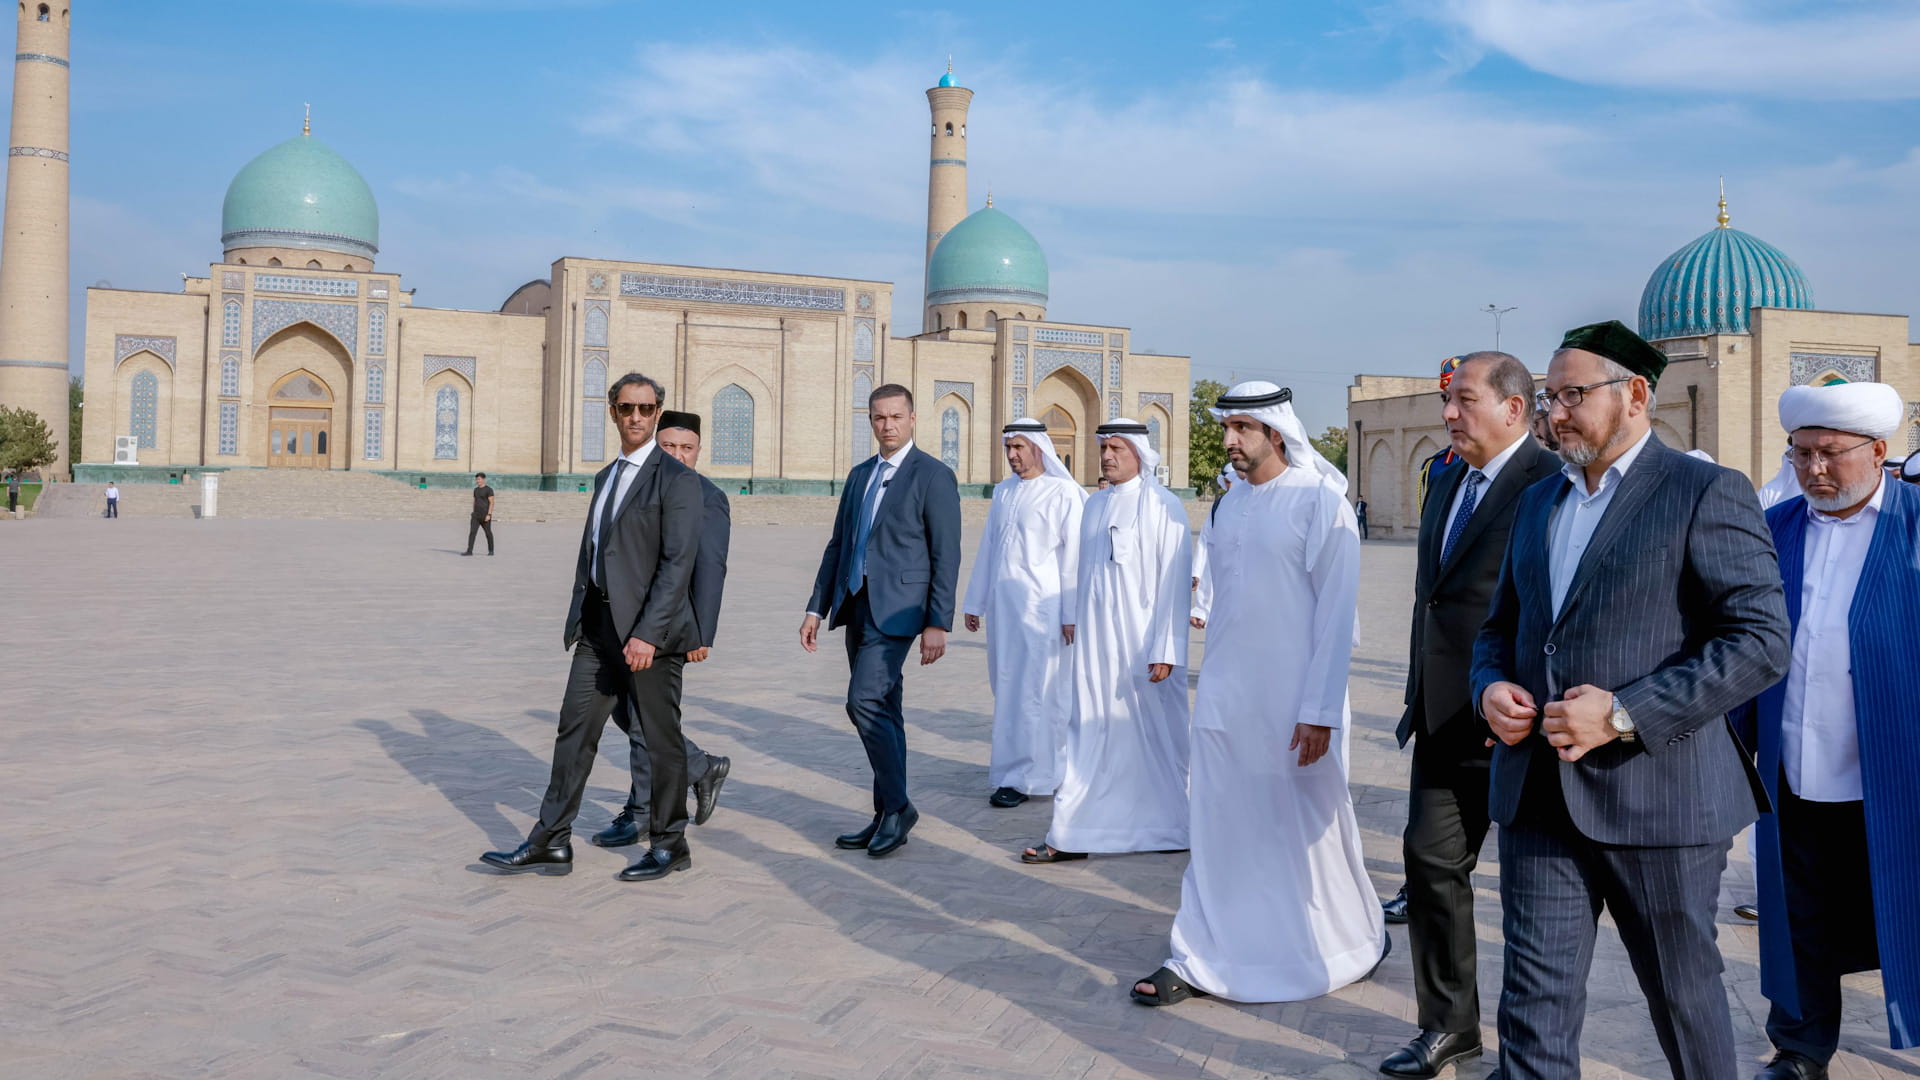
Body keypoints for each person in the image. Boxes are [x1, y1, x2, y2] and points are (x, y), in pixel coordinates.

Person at [1471, 320, 1790, 1080]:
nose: (1555, 413)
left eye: (1573, 395)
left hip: (1663, 799)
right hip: (1541, 795)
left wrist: (1622, 713)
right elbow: (1500, 629)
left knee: (1684, 1002)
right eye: (1550, 398)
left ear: (1637, 395)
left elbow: (1760, 641)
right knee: (1532, 1009)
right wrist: (1491, 689)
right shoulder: (1539, 502)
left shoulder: (1702, 491)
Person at [1132, 383, 1383, 1007]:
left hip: (1295, 702)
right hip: (1224, 696)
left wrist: (1321, 711)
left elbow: (1335, 614)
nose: (1230, 441)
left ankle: (1341, 938)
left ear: (1277, 431)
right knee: (1220, 821)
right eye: (1226, 428)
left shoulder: (1320, 501)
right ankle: (1200, 952)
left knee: (1302, 829)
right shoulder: (1227, 505)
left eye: (1242, 428)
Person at [1733, 382, 1920, 1080]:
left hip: (1895, 767)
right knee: (1797, 911)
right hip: (1795, 762)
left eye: (1830, 454)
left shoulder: (1915, 525)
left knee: (1909, 901)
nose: (1813, 468)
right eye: (1802, 452)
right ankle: (1802, 1047)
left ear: (1877, 451)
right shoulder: (1773, 528)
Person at [1381, 353, 1560, 1078]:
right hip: (1442, 715)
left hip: (1515, 723)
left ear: (1515, 409)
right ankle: (1449, 1025)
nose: (1448, 415)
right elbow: (1436, 596)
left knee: (1530, 897)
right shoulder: (1446, 475)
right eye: (1445, 402)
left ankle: (1528, 1051)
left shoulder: (1549, 483)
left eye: (1464, 401)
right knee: (1429, 865)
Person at [479, 371, 705, 883]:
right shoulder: (606, 477)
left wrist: (648, 633)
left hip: (649, 636)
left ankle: (671, 843)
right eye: (627, 409)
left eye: (646, 409)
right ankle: (550, 840)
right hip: (599, 628)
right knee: (574, 731)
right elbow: (596, 552)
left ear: (657, 412)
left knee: (661, 740)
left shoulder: (677, 479)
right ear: (613, 412)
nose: (636, 418)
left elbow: (678, 565)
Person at [801, 384, 961, 858]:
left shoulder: (933, 475)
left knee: (863, 701)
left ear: (912, 419)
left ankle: (898, 807)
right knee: (886, 709)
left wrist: (939, 622)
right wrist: (817, 606)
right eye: (878, 418)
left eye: (896, 417)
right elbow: (839, 544)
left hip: (901, 611)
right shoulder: (859, 476)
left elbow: (945, 554)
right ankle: (884, 814)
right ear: (870, 420)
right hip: (857, 605)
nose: (887, 425)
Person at [1022, 419, 1190, 865]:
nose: (1108, 456)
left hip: (1144, 652)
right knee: (1088, 733)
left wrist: (1166, 649)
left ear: (1140, 453)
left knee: (1158, 744)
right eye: (1104, 448)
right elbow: (1081, 572)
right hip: (1096, 649)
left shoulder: (1164, 506)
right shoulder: (1093, 507)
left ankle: (1172, 826)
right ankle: (1072, 831)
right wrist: (1073, 619)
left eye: (1118, 448)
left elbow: (1174, 584)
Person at [594, 410, 732, 845]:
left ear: (698, 451)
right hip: (625, 622)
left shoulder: (707, 496)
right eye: (668, 446)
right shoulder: (638, 485)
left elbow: (709, 568)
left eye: (685, 448)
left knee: (642, 721)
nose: (676, 455)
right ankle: (700, 766)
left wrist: (701, 634)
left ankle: (641, 811)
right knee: (627, 711)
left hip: (671, 628)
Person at [962, 419, 1085, 809]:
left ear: (1038, 447)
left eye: (1019, 447)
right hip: (1005, 611)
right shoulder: (1004, 491)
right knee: (1009, 690)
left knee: (1037, 693)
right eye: (1008, 448)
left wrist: (1071, 613)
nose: (1013, 455)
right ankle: (1018, 770)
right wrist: (974, 602)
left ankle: (1027, 777)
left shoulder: (1064, 493)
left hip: (1043, 611)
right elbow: (990, 548)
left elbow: (1074, 559)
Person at [463, 472, 495, 556]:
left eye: (479, 479)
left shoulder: (489, 489)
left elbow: (492, 503)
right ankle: (469, 551)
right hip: (476, 515)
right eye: (476, 479)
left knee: (488, 533)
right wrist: (473, 512)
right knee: (472, 532)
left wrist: (489, 515)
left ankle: (491, 550)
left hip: (485, 515)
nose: (477, 481)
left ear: (483, 479)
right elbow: (475, 501)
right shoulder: (476, 490)